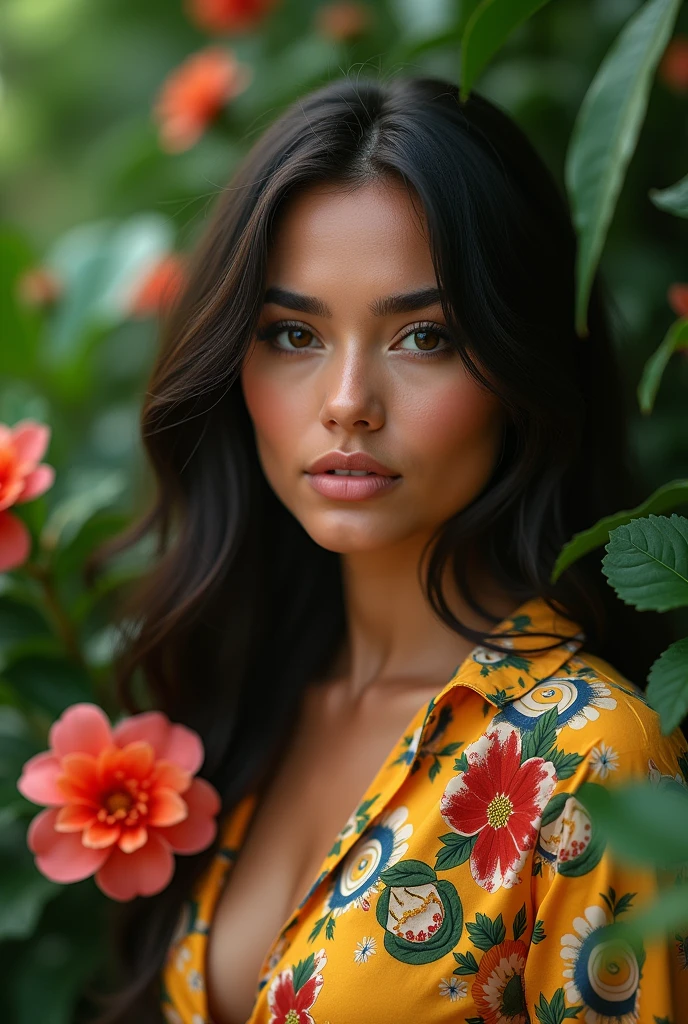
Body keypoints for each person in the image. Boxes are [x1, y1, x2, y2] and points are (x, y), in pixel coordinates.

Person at [92, 73, 688, 1024]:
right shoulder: (243, 697)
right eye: (293, 333)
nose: (347, 401)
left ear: (521, 366)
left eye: (424, 337)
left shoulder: (591, 757)